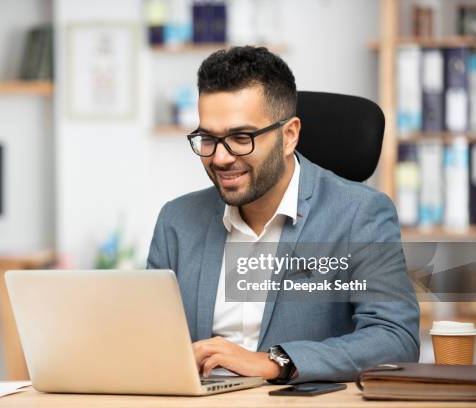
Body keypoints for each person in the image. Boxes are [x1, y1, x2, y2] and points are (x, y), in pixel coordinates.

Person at [147, 46, 419, 383]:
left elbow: (395, 339)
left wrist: (275, 361)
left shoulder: (359, 215)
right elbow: (149, 341)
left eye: (240, 137)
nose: (220, 158)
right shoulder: (177, 221)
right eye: (208, 138)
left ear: (289, 135)